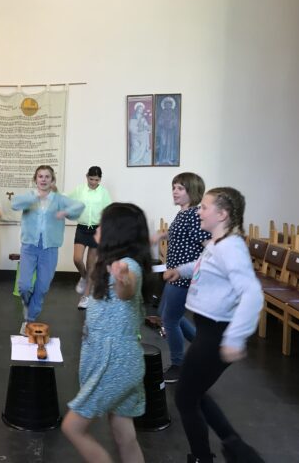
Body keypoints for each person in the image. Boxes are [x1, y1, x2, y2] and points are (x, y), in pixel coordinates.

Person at [163, 187, 264, 463]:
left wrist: (235, 338)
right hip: (208, 330)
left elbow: (252, 294)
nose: (199, 211)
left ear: (222, 214)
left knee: (186, 398)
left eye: (204, 207)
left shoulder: (231, 248)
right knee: (193, 393)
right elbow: (203, 264)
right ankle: (237, 449)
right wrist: (180, 270)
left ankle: (204, 457)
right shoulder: (218, 244)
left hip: (217, 333)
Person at [62, 203, 151, 463]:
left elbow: (127, 288)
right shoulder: (109, 263)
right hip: (120, 359)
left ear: (116, 231)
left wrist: (123, 278)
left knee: (72, 427)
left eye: (102, 224)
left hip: (115, 362)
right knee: (124, 435)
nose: (96, 229)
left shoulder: (127, 265)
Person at [11, 165, 84, 334]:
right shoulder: (29, 197)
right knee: (24, 286)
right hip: (29, 246)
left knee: (42, 287)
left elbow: (79, 206)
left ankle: (29, 319)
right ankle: (27, 305)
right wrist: (34, 197)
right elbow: (14, 204)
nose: (43, 179)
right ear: (35, 179)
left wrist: (65, 212)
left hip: (49, 249)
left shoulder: (59, 199)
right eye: (40, 176)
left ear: (52, 180)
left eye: (47, 176)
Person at [157, 172, 211, 383]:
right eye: (174, 187)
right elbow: (181, 236)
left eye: (180, 188)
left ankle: (178, 365)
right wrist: (161, 235)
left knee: (169, 320)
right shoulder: (183, 213)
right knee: (169, 315)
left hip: (185, 277)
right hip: (176, 275)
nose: (175, 192)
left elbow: (209, 246)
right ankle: (202, 348)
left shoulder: (195, 214)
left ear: (192, 191)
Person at [67, 166, 112, 310]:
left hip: (96, 230)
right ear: (87, 177)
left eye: (96, 180)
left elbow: (108, 211)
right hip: (82, 228)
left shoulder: (103, 193)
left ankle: (85, 297)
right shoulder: (80, 190)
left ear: (100, 179)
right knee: (77, 259)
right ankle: (84, 277)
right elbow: (67, 200)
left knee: (91, 265)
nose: (93, 182)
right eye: (91, 179)